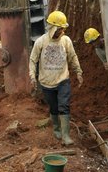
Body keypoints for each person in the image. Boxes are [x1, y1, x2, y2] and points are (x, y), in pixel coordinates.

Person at [29, 11, 83, 146]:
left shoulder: (66, 41)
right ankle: (57, 128)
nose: (61, 31)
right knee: (53, 107)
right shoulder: (41, 42)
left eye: (63, 29)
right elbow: (33, 60)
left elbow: (72, 57)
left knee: (63, 106)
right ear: (52, 28)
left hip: (63, 80)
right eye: (59, 29)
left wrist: (78, 71)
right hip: (46, 82)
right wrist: (32, 76)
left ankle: (66, 136)